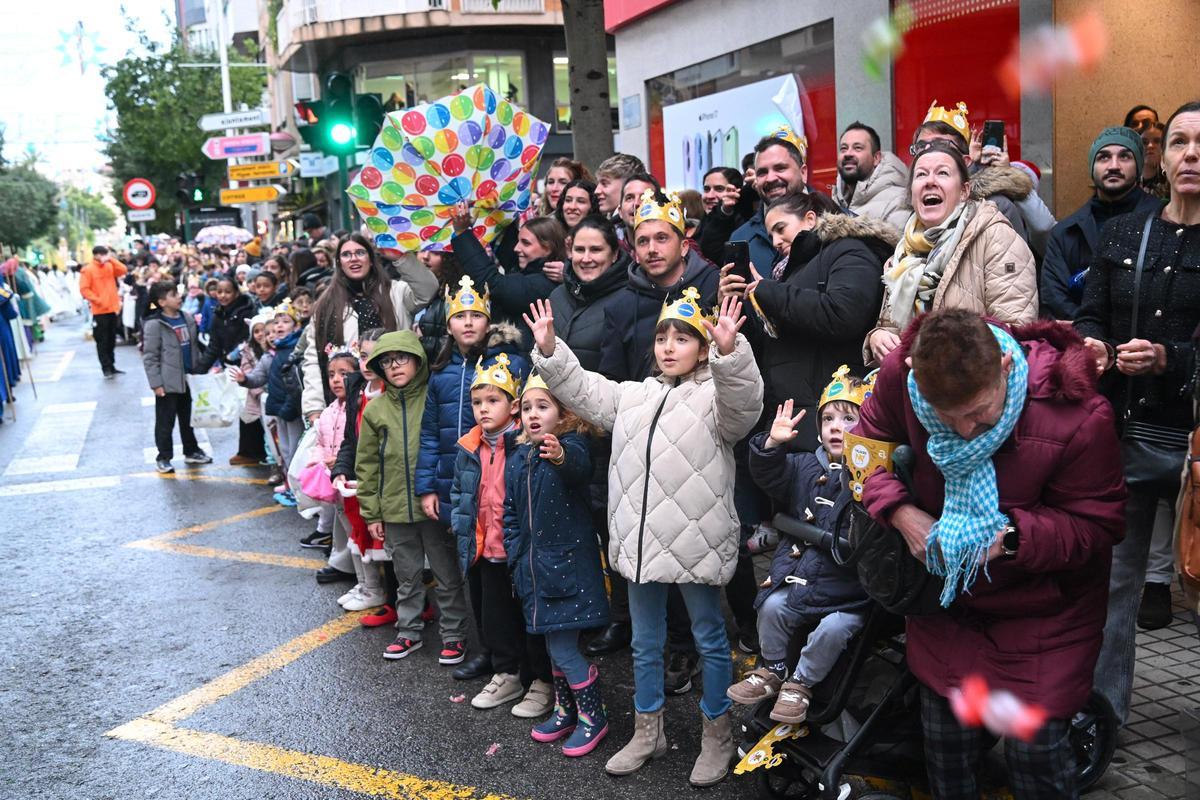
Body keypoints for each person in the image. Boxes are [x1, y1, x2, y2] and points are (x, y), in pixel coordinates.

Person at [856, 309, 1125, 799]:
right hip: (946, 607)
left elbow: (1099, 526)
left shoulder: (1077, 413)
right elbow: (864, 453)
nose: (965, 432)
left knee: (1035, 762)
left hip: (1044, 618)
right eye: (945, 416)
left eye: (980, 412)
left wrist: (1012, 539)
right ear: (913, 372)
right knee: (947, 758)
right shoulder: (902, 377)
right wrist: (900, 513)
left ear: (1005, 365)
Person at [526, 290, 764, 787]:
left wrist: (731, 355)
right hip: (640, 544)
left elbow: (744, 408)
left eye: (683, 338)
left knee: (709, 639)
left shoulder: (716, 397)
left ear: (702, 347)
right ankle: (647, 731)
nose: (669, 347)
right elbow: (583, 388)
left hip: (695, 542)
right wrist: (550, 350)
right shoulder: (633, 395)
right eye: (662, 338)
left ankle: (717, 736)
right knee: (645, 642)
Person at [1081, 100, 1200, 724]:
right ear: (1163, 156)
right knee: (1114, 585)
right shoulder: (1126, 233)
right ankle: (1102, 722)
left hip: (1195, 447)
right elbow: (1089, 316)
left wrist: (1168, 358)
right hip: (1125, 434)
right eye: (1179, 142)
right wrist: (1096, 348)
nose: (1191, 154)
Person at [726, 373, 870, 724]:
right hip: (798, 576)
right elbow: (769, 475)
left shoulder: (871, 478)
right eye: (828, 419)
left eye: (849, 419)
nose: (836, 427)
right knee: (771, 606)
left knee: (834, 629)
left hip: (847, 592)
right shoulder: (805, 464)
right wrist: (771, 446)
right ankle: (773, 668)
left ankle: (801, 682)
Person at [417, 276, 528, 682]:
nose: (468, 323)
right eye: (459, 316)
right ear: (448, 324)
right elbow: (430, 433)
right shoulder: (440, 373)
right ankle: (489, 650)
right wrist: (427, 486)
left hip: (499, 483)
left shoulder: (509, 363)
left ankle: (518, 657)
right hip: (459, 486)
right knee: (475, 574)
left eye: (475, 315)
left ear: (488, 321)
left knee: (505, 575)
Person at [720, 191, 892, 446]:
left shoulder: (850, 249)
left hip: (831, 413)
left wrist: (768, 291)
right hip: (794, 417)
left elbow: (844, 313)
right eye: (770, 235)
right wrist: (733, 301)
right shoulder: (790, 271)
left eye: (781, 229)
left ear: (810, 219)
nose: (775, 241)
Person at [506, 374, 610, 756]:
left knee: (565, 649)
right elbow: (510, 512)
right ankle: (567, 710)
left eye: (543, 406)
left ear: (564, 414)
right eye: (527, 407)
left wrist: (561, 454)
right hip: (534, 569)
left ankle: (593, 717)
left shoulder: (571, 446)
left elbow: (578, 467)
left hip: (566, 569)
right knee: (554, 647)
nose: (533, 414)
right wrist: (516, 552)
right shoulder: (519, 457)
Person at [865, 140, 1038, 367]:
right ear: (911, 193)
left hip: (973, 382)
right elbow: (890, 326)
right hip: (912, 381)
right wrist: (878, 337)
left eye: (942, 173)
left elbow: (1014, 333)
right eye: (921, 174)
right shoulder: (903, 251)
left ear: (964, 191)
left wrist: (939, 365)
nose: (930, 181)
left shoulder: (998, 239)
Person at [545, 215, 632, 655]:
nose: (586, 257)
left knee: (609, 528)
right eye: (579, 249)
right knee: (571, 527)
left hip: (603, 431)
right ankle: (584, 612)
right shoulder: (557, 296)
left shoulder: (625, 297)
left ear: (614, 254)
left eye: (596, 249)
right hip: (559, 431)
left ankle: (621, 619)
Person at [356, 331, 471, 659]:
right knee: (405, 577)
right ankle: (408, 631)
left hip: (431, 506)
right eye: (386, 362)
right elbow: (366, 465)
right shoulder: (375, 411)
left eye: (401, 358)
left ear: (418, 361)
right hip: (393, 508)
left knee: (446, 574)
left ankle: (454, 634)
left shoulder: (432, 398)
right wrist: (372, 512)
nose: (394, 366)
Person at [450, 353, 553, 716]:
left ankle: (542, 680)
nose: (483, 409)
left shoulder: (525, 444)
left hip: (519, 550)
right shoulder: (469, 446)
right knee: (496, 618)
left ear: (513, 406)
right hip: (485, 549)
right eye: (477, 402)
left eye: (492, 400)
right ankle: (507, 673)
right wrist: (461, 527)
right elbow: (460, 493)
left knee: (531, 619)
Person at [301, 233, 438, 427]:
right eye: (346, 254)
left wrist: (401, 258)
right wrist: (314, 408)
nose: (354, 258)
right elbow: (313, 361)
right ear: (339, 262)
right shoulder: (325, 306)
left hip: (396, 401)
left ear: (371, 259)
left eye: (360, 252)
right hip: (344, 408)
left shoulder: (395, 292)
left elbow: (428, 289)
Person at [598, 189, 720, 383]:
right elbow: (612, 379)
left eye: (661, 238)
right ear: (636, 253)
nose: (652, 249)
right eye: (643, 241)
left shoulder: (714, 287)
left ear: (684, 247)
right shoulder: (620, 307)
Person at [1041, 126, 1162, 321]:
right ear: (1092, 167)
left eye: (1124, 157)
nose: (1113, 166)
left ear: (1138, 166)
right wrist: (1090, 329)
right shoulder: (1066, 232)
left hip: (1145, 338)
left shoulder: (1163, 220)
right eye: (1103, 157)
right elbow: (1055, 300)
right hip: (1083, 336)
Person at [910, 101, 1057, 255]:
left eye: (941, 146)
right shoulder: (915, 206)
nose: (929, 154)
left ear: (965, 161)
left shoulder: (997, 208)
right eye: (921, 147)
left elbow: (1014, 266)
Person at [451, 208, 564, 350]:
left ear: (548, 248)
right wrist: (496, 210)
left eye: (525, 243)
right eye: (518, 241)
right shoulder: (523, 269)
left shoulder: (545, 284)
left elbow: (494, 284)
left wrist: (462, 233)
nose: (516, 248)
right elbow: (506, 245)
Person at [327, 329, 388, 589]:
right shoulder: (358, 390)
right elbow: (351, 440)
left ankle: (392, 600)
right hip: (361, 480)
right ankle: (370, 590)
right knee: (362, 535)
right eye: (363, 356)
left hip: (386, 481)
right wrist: (341, 468)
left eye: (375, 356)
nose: (367, 363)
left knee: (389, 547)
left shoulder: (391, 392)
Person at [141, 281, 212, 474]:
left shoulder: (186, 317)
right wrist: (156, 384)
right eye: (173, 295)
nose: (179, 297)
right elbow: (150, 357)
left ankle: (191, 450)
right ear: (162, 302)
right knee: (165, 422)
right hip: (168, 382)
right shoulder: (155, 324)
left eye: (178, 293)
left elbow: (195, 347)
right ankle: (163, 457)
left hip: (189, 379)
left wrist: (199, 370)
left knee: (189, 419)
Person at [195, 275, 263, 465]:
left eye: (228, 292)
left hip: (250, 366)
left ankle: (254, 452)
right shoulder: (218, 314)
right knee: (245, 409)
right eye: (219, 292)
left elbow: (248, 341)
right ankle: (250, 452)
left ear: (236, 293)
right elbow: (214, 346)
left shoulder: (246, 311)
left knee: (251, 409)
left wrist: (237, 358)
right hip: (233, 368)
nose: (223, 295)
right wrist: (199, 370)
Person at [732, 127, 812, 273]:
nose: (770, 178)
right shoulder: (741, 238)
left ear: (803, 173)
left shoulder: (836, 225)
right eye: (762, 172)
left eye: (780, 168)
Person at [831, 121, 911, 229]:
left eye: (857, 148)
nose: (848, 154)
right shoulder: (834, 202)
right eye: (843, 148)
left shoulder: (898, 202)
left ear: (876, 158)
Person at [79, 245, 127, 377]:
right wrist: (98, 300)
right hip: (99, 311)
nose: (105, 257)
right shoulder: (88, 270)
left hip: (112, 308)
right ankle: (106, 368)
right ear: (96, 255)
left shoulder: (109, 266)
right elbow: (84, 289)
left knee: (111, 339)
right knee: (102, 340)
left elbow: (123, 270)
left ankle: (112, 365)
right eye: (103, 255)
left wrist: (111, 259)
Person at [695, 167, 756, 266]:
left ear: (736, 192)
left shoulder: (742, 225)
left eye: (719, 189)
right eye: (706, 189)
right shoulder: (702, 223)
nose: (710, 196)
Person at [1140, 122, 1169, 200]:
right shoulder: (1130, 181)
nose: (1150, 146)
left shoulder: (1174, 181)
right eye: (1144, 142)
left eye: (1157, 141)